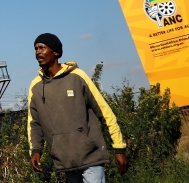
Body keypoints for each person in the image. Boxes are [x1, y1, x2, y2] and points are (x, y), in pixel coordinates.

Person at [28, 33, 128, 182]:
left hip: (90, 157)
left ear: (56, 52)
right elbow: (34, 123)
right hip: (65, 161)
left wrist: (119, 147)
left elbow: (104, 111)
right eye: (35, 48)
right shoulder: (36, 86)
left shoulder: (77, 76)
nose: (37, 52)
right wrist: (35, 150)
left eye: (42, 47)